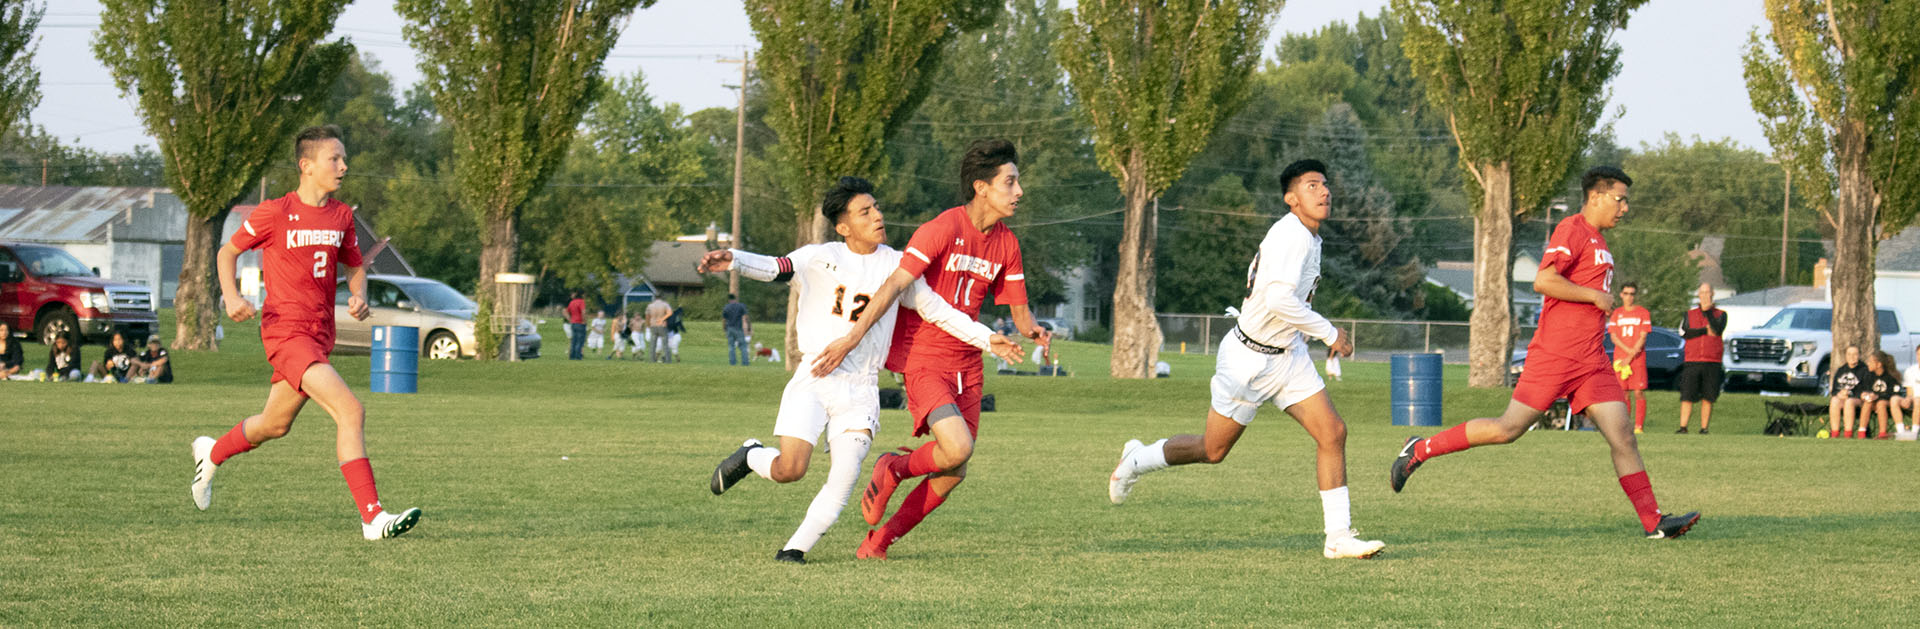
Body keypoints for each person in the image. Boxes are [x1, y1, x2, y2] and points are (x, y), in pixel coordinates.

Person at [704, 176, 1024, 564]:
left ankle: (793, 550)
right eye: (865, 211)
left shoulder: (897, 264)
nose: (878, 215)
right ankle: (753, 455)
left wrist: (988, 338)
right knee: (791, 469)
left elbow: (938, 310)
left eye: (876, 207)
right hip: (815, 376)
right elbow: (776, 267)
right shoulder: (819, 256)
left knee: (844, 477)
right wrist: (733, 258)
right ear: (843, 227)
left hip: (861, 388)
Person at [1388, 166, 1699, 540]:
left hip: (1592, 362)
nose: (1625, 208)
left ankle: (1655, 522)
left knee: (1623, 437)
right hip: (1556, 355)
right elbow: (1544, 280)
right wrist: (1594, 295)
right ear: (1596, 197)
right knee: (1508, 429)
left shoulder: (1601, 242)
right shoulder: (1572, 229)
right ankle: (1420, 448)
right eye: (1620, 199)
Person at [1106, 160, 1385, 559]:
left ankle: (1337, 537)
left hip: (1288, 357)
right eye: (1311, 186)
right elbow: (1277, 300)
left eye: (1325, 185)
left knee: (1333, 433)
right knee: (1212, 450)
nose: (1324, 192)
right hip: (1249, 360)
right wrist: (1329, 332)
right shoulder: (1292, 235)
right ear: (1291, 199)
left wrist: (1311, 335)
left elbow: (1288, 306)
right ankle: (1137, 459)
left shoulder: (1309, 236)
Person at [809, 138, 1052, 560]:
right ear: (981, 187)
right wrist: (852, 337)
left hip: (969, 365)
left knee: (953, 468)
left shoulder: (1007, 245)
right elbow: (893, 286)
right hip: (925, 361)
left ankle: (879, 541)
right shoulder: (941, 229)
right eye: (1010, 182)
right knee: (957, 448)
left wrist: (1036, 333)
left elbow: (1022, 315)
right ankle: (894, 467)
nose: (1019, 192)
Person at [191, 124, 421, 540]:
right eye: (335, 159)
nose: (344, 166)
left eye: (343, 158)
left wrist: (357, 294)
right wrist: (230, 296)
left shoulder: (342, 216)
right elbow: (227, 251)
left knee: (274, 425)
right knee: (351, 411)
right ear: (306, 166)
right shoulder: (276, 212)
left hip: (318, 336)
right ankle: (372, 517)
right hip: (285, 334)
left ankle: (212, 452)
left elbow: (354, 265)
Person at [1675, 283, 1727, 434]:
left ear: (1712, 294)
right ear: (1698, 294)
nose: (1704, 295)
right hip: (1692, 359)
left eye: (1707, 292)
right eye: (1702, 292)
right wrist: (1704, 330)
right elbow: (1684, 333)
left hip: (1712, 361)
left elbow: (1717, 330)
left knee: (1708, 396)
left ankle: (1704, 428)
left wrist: (1708, 312)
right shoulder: (1689, 314)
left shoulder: (1720, 314)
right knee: (1687, 396)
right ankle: (1683, 426)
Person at [1606, 283, 1652, 434]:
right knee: (1623, 393)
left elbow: (1643, 336)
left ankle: (1639, 426)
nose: (1629, 297)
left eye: (1632, 294)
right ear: (1621, 295)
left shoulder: (1643, 313)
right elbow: (1613, 336)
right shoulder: (1616, 313)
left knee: (1638, 391)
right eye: (1626, 293)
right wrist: (1626, 354)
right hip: (1621, 359)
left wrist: (1631, 355)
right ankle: (1625, 426)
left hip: (1637, 359)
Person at [1826, 346, 1868, 439]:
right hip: (1842, 399)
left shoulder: (1864, 370)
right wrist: (1839, 393)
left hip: (1858, 400)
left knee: (1849, 402)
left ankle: (1848, 434)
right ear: (1845, 356)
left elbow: (1866, 389)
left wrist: (1850, 394)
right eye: (1849, 354)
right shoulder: (1841, 370)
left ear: (1859, 355)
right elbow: (1834, 390)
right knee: (1834, 400)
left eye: (1855, 354)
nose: (1851, 357)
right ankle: (1834, 433)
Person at [1859, 350, 1901, 440]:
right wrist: (1864, 394)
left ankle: (1882, 433)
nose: (1868, 363)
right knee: (1867, 403)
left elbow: (1894, 394)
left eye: (1871, 361)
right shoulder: (1869, 375)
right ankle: (1861, 432)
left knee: (1881, 403)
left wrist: (1878, 396)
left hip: (1888, 402)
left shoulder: (1891, 377)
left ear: (1878, 364)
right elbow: (1863, 388)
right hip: (1873, 402)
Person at [1889, 346, 1920, 435]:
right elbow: (1910, 392)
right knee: (1894, 399)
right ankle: (1901, 431)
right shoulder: (1910, 371)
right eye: (1918, 354)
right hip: (1914, 400)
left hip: (1918, 401)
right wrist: (1908, 398)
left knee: (1918, 400)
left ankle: (1914, 432)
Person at [723, 293, 751, 366]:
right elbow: (746, 317)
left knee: (731, 347)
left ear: (729, 299)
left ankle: (733, 362)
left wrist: (724, 328)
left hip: (729, 328)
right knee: (743, 346)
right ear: (735, 299)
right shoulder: (741, 306)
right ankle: (745, 362)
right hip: (738, 328)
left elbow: (724, 319)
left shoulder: (726, 307)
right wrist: (749, 328)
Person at [646, 297, 672, 363]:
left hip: (653, 325)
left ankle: (652, 360)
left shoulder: (650, 305)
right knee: (665, 344)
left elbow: (647, 316)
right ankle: (667, 360)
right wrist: (662, 319)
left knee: (653, 344)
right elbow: (670, 313)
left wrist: (648, 325)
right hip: (662, 325)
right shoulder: (665, 304)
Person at [566, 291, 587, 360]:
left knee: (574, 340)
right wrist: (584, 321)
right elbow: (583, 312)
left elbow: (566, 311)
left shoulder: (572, 302)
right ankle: (578, 356)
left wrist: (570, 319)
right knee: (580, 340)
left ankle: (572, 355)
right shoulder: (581, 301)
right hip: (580, 323)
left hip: (573, 323)